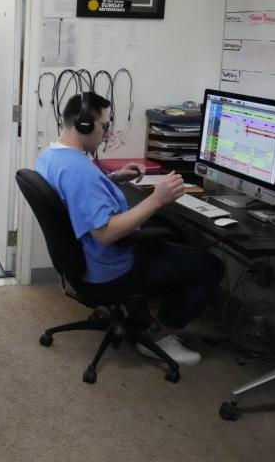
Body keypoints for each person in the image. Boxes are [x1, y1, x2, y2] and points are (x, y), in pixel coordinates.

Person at [34, 92, 224, 365]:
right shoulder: (78, 172)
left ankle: (140, 312)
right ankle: (161, 336)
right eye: (105, 125)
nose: (107, 133)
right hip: (108, 264)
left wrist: (111, 179)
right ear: (84, 124)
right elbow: (106, 232)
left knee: (170, 234)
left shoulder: (53, 156)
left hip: (81, 258)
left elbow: (75, 199)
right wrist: (158, 198)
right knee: (209, 266)